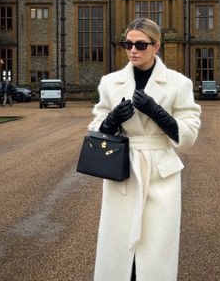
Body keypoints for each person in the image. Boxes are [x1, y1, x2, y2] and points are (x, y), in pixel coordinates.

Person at [88, 18, 201, 281]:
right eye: (127, 44)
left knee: (156, 246)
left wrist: (157, 112)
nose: (133, 50)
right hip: (122, 170)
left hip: (161, 173)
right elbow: (95, 129)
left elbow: (189, 134)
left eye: (140, 44)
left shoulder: (178, 83)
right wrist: (111, 120)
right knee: (118, 244)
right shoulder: (110, 83)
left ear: (156, 46)